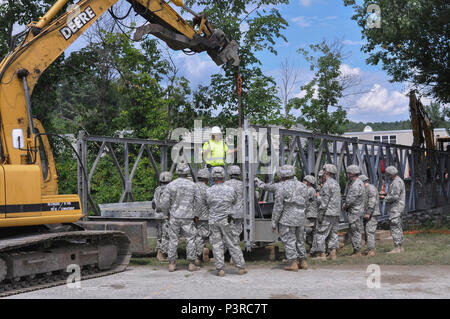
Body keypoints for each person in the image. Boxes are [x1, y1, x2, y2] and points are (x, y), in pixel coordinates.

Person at [206, 166, 247, 277]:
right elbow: (233, 201)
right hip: (227, 220)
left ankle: (220, 269)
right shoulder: (230, 189)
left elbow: (208, 203)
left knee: (217, 244)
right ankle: (240, 267)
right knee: (233, 242)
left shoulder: (208, 191)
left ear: (212, 177)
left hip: (214, 220)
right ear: (223, 176)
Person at [160, 163, 200, 272]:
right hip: (188, 216)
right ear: (187, 172)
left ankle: (172, 264)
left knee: (173, 240)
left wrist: (166, 213)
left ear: (177, 172)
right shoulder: (193, 185)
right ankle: (191, 264)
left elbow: (164, 202)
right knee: (190, 239)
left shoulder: (171, 185)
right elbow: (198, 201)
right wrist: (196, 214)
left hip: (174, 216)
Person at [272, 165, 309, 271]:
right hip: (300, 217)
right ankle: (303, 261)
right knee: (300, 240)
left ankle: (292, 263)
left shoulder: (281, 187)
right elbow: (307, 202)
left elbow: (278, 206)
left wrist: (274, 221)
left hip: (287, 218)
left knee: (289, 240)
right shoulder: (303, 186)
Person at [312, 164, 341, 261]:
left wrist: (320, 215)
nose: (323, 172)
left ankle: (321, 254)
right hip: (336, 213)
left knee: (321, 233)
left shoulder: (327, 185)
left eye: (324, 170)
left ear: (327, 172)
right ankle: (333, 253)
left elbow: (324, 203)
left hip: (328, 213)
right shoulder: (336, 183)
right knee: (333, 233)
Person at [379, 166, 405, 253]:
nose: (387, 177)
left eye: (387, 175)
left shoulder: (395, 182)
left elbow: (395, 196)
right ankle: (400, 247)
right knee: (398, 226)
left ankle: (397, 247)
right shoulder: (398, 181)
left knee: (394, 227)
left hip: (396, 208)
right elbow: (395, 193)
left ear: (391, 174)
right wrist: (386, 193)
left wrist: (384, 198)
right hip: (399, 208)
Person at [343, 165, 366, 257]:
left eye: (348, 173)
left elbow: (351, 199)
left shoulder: (356, 184)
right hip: (358, 211)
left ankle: (357, 251)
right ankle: (356, 250)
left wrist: (345, 205)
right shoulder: (360, 183)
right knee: (357, 230)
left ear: (351, 173)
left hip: (355, 212)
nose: (347, 175)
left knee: (355, 230)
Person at [152, 171, 172, 262]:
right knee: (166, 235)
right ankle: (161, 253)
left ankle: (159, 251)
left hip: (157, 215)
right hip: (165, 216)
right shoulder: (170, 189)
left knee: (159, 234)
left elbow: (153, 203)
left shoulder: (157, 189)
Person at [224, 165, 245, 252]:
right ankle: (234, 255)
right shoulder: (243, 185)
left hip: (227, 213)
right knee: (236, 234)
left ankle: (224, 253)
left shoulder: (225, 184)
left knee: (225, 233)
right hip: (239, 213)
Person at [358, 175, 380, 256]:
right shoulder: (365, 189)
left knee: (369, 231)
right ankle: (370, 248)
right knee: (368, 231)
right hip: (368, 213)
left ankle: (372, 250)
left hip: (372, 214)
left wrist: (368, 213)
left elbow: (372, 202)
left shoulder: (370, 188)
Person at [194, 168, 211, 264]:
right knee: (202, 236)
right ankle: (197, 256)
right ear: (207, 178)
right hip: (204, 217)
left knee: (194, 236)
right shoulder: (208, 189)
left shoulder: (192, 187)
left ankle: (197, 255)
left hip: (192, 216)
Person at [303, 175, 318, 254]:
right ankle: (313, 248)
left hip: (310, 214)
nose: (303, 182)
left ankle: (313, 248)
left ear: (308, 182)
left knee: (306, 231)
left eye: (304, 181)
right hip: (310, 214)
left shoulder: (310, 190)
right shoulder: (310, 190)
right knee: (310, 233)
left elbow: (304, 200)